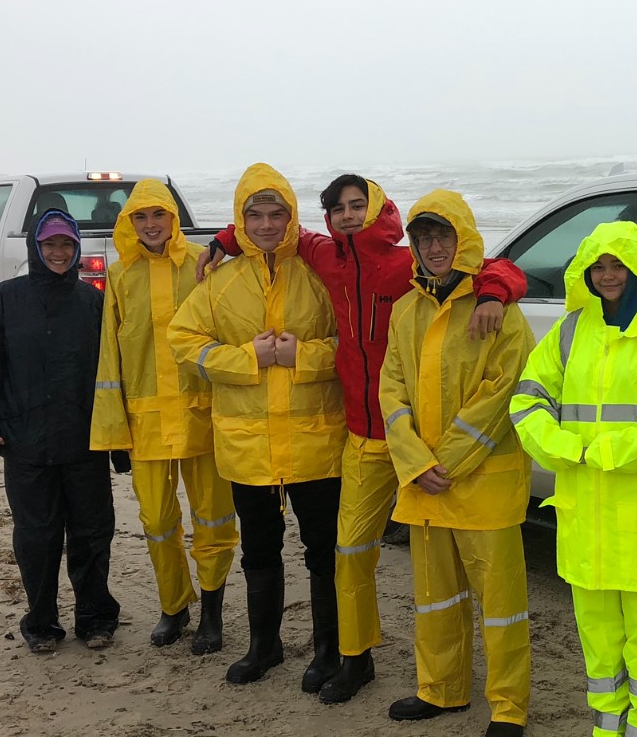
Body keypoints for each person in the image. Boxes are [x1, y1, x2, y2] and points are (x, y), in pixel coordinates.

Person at [196, 174, 527, 702]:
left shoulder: (406, 263)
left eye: (358, 205)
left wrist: (496, 289)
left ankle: (477, 691)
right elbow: (278, 231)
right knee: (348, 552)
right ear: (329, 218)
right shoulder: (324, 257)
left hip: (420, 440)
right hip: (362, 436)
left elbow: (483, 263)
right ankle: (353, 657)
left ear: (378, 209)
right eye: (339, 208)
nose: (349, 215)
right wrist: (224, 240)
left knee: (449, 569)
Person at [511, 220, 637, 737]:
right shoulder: (570, 330)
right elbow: (526, 401)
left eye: (620, 265)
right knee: (599, 648)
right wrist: (568, 449)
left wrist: (605, 452)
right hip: (586, 521)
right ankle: (607, 731)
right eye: (599, 266)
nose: (609, 275)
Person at [167, 163, 346, 687]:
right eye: (256, 214)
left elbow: (354, 343)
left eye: (277, 214)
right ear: (241, 219)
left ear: (292, 217)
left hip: (317, 441)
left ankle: (328, 651)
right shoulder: (220, 279)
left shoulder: (319, 272)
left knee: (323, 549)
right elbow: (184, 341)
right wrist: (246, 359)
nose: (267, 224)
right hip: (248, 446)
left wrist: (303, 356)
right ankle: (263, 647)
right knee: (259, 549)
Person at [378, 190, 533, 737]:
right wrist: (416, 463)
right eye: (424, 237)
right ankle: (441, 689)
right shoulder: (404, 311)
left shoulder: (499, 312)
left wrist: (445, 462)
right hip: (426, 485)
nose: (435, 246)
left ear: (462, 238)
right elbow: (391, 389)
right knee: (436, 599)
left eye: (443, 235)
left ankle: (508, 706)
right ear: (414, 246)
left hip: (482, 484)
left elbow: (503, 394)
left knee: (501, 605)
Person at [0, 209, 121, 652]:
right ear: (35, 247)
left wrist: (119, 437)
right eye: (49, 244)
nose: (57, 252)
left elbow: (113, 372)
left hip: (84, 442)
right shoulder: (6, 298)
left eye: (66, 244)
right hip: (24, 442)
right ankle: (42, 623)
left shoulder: (92, 302)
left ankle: (95, 617)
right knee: (36, 538)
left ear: (77, 249)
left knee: (91, 534)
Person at [90, 179, 238, 654]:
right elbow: (109, 357)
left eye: (159, 215)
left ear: (174, 219)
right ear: (128, 222)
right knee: (157, 520)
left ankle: (212, 609)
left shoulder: (203, 264)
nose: (151, 225)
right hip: (145, 423)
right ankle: (174, 606)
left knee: (214, 519)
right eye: (141, 217)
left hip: (204, 418)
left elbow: (227, 335)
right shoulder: (118, 275)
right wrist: (114, 431)